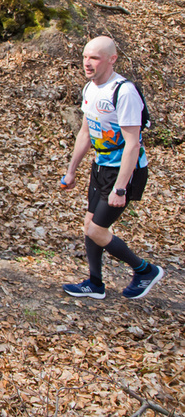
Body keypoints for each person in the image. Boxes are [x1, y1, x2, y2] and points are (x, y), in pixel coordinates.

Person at [60, 35, 162, 299]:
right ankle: (95, 284)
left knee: (96, 229)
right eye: (85, 57)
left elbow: (132, 145)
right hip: (101, 166)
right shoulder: (90, 89)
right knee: (89, 225)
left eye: (94, 58)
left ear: (112, 59)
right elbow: (85, 132)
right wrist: (72, 170)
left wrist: (120, 187)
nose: (87, 63)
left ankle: (144, 270)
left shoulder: (124, 92)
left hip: (125, 171)